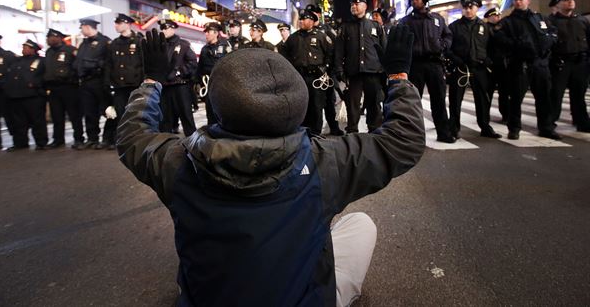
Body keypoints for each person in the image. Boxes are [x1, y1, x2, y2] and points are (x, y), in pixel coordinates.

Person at [117, 24, 424, 307]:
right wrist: (398, 78)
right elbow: (403, 141)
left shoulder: (177, 161)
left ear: (218, 105)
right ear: (297, 105)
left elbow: (132, 135)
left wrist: (150, 82)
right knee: (359, 224)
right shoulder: (325, 160)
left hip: (209, 298)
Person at [497, 0, 560, 140]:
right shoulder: (507, 22)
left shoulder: (540, 18)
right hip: (520, 64)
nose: (519, 1)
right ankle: (514, 128)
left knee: (544, 97)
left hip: (540, 63)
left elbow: (553, 33)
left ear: (528, 0)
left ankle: (546, 127)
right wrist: (517, 45)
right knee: (516, 98)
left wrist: (549, 40)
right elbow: (500, 40)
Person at [399, 0, 455, 143]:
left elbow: (448, 35)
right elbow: (400, 41)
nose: (414, 1)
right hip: (415, 65)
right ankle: (414, 136)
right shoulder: (406, 21)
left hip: (435, 64)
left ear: (424, 0)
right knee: (413, 102)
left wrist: (442, 46)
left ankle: (443, 133)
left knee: (438, 100)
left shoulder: (436, 19)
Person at [446, 0, 500, 139]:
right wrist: (455, 59)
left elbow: (492, 47)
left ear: (477, 8)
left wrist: (488, 61)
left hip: (479, 68)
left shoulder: (484, 26)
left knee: (483, 99)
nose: (468, 10)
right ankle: (454, 128)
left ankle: (485, 126)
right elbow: (447, 47)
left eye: (471, 7)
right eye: (465, 8)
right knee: (455, 99)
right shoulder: (454, 27)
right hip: (460, 68)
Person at [334, 0, 386, 133]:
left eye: (357, 3)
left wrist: (385, 71)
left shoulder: (375, 26)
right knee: (352, 107)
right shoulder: (344, 27)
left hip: (373, 73)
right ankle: (352, 135)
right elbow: (339, 51)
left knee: (374, 106)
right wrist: (339, 70)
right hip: (354, 73)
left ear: (365, 6)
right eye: (352, 3)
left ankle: (375, 133)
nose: (353, 6)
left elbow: (384, 50)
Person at [283, 8, 334, 135]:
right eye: (300, 19)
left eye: (304, 19)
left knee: (316, 106)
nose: (301, 21)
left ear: (311, 21)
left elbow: (331, 53)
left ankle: (316, 133)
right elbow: (285, 55)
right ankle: (304, 132)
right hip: (299, 77)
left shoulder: (321, 36)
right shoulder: (293, 38)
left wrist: (325, 67)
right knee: (302, 105)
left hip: (316, 78)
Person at [547, 0, 590, 132]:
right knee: (556, 95)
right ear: (557, 5)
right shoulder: (551, 22)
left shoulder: (582, 20)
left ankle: (581, 121)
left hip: (580, 63)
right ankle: (549, 123)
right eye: (565, 0)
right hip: (560, 63)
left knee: (579, 94)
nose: (570, 1)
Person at [103, 14, 144, 149]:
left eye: (119, 23)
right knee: (120, 114)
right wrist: (107, 82)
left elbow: (144, 63)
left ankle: (138, 139)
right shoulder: (114, 43)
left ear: (127, 24)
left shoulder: (139, 41)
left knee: (136, 113)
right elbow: (109, 64)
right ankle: (123, 140)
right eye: (116, 23)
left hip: (135, 85)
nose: (116, 25)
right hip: (119, 86)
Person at [3, 39, 48, 151]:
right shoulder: (16, 61)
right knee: (19, 122)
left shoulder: (41, 61)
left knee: (37, 121)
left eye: (26, 47)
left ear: (33, 49)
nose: (24, 49)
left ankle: (41, 142)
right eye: (23, 47)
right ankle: (20, 142)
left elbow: (45, 76)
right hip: (16, 96)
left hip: (33, 96)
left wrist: (37, 85)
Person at [74, 18, 112, 149]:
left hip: (99, 81)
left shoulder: (104, 42)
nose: (81, 30)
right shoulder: (84, 44)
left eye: (82, 27)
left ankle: (109, 138)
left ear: (88, 27)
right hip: (85, 82)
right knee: (89, 111)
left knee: (107, 111)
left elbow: (108, 62)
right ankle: (92, 138)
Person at [44, 28, 85, 149]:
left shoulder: (70, 50)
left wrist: (71, 77)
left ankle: (78, 139)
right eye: (48, 38)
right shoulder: (49, 52)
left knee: (74, 115)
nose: (49, 40)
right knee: (57, 116)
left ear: (59, 38)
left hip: (69, 87)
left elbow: (77, 66)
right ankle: (58, 139)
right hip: (54, 88)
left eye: (51, 37)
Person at [307, 3, 344, 136]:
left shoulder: (327, 30)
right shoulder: (305, 33)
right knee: (314, 104)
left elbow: (336, 50)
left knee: (329, 103)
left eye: (315, 14)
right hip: (313, 75)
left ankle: (333, 127)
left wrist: (332, 70)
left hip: (327, 74)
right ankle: (315, 129)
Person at [157, 19, 197, 136]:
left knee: (186, 116)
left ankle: (193, 143)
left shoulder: (183, 44)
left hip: (180, 86)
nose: (164, 30)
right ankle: (165, 145)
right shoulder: (159, 45)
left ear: (173, 28)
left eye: (166, 28)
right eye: (162, 28)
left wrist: (179, 72)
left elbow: (193, 62)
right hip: (164, 87)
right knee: (164, 118)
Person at [197, 22, 228, 125]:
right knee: (210, 113)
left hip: (222, 86)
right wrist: (197, 82)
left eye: (208, 32)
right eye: (205, 32)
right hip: (209, 85)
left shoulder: (225, 47)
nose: (206, 34)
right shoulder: (204, 49)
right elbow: (200, 68)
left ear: (215, 33)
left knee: (223, 113)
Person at [484, 7, 509, 124]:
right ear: (489, 17)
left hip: (502, 65)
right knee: (487, 92)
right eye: (495, 15)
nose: (497, 17)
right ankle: (484, 115)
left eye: (498, 15)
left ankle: (505, 114)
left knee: (504, 92)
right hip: (489, 65)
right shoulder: (484, 29)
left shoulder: (502, 29)